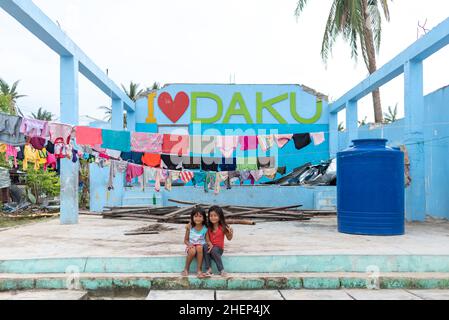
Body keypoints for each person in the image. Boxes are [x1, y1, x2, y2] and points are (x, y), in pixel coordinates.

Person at [203, 205, 234, 277]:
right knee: (205, 246)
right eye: (211, 216)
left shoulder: (223, 227)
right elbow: (207, 238)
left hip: (218, 250)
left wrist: (231, 233)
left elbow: (229, 238)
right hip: (210, 248)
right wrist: (209, 243)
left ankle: (221, 270)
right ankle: (209, 269)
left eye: (215, 215)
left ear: (220, 216)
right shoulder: (208, 226)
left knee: (214, 249)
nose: (213, 217)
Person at [182, 207, 210, 278]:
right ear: (192, 217)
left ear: (203, 218)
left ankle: (199, 270)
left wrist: (210, 244)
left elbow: (207, 240)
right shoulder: (190, 227)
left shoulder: (205, 228)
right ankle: (186, 268)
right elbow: (185, 240)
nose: (198, 218)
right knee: (192, 251)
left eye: (200, 216)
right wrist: (189, 244)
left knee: (200, 247)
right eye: (195, 216)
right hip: (191, 245)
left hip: (200, 247)